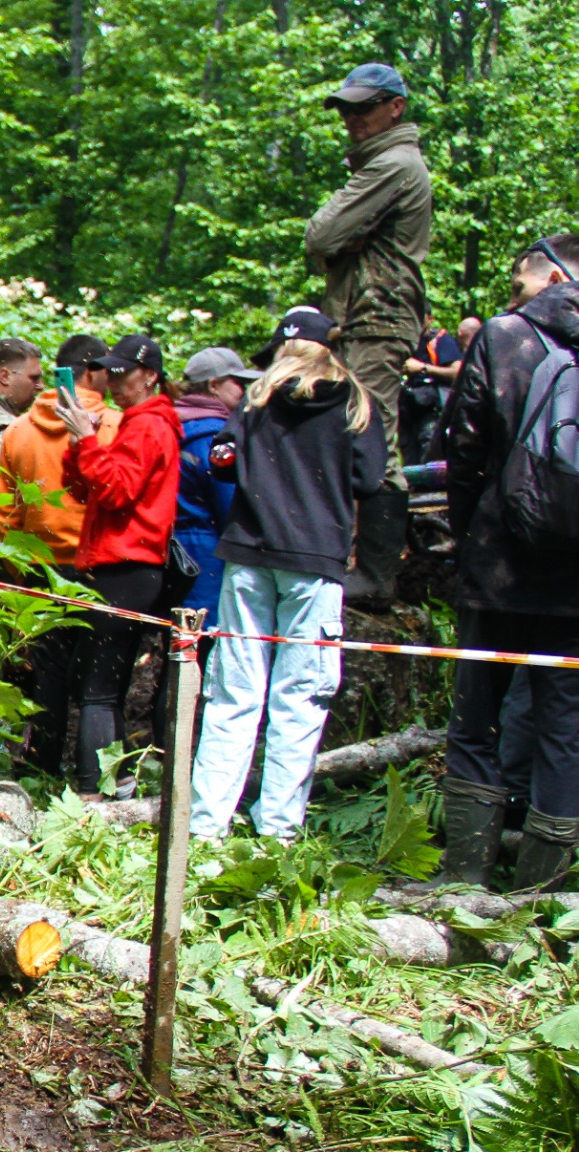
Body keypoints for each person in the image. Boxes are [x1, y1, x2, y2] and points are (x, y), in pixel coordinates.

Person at [189, 310, 387, 840]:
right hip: (315, 560)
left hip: (250, 554)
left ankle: (206, 827)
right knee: (299, 698)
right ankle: (278, 831)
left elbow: (221, 461)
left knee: (233, 694)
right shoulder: (356, 400)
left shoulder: (257, 399)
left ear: (283, 348)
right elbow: (369, 479)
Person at [433, 233, 579, 888]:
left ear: (550, 276)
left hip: (498, 565)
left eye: (518, 282)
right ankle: (541, 894)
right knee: (565, 728)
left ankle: (465, 882)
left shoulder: (503, 335)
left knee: (476, 718)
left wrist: (470, 537)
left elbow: (463, 451)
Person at [304, 62, 433, 610]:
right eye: (347, 109)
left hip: (378, 314)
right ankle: (364, 568)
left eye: (364, 107)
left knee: (374, 435)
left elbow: (323, 233)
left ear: (395, 107)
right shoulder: (379, 163)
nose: (352, 118)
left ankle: (376, 579)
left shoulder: (394, 164)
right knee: (359, 431)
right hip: (365, 313)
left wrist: (335, 238)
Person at [54, 335, 182, 796]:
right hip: (117, 564)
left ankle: (94, 790)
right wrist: (77, 443)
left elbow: (117, 490)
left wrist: (89, 440)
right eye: (110, 371)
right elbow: (88, 489)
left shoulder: (150, 426)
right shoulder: (136, 423)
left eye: (124, 372)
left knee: (96, 689)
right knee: (100, 684)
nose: (114, 381)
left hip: (126, 567)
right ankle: (117, 783)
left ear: (150, 376)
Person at [0, 334, 119, 775]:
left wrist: (16, 570)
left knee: (45, 681)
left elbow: (3, 512)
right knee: (99, 685)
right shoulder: (110, 425)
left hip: (37, 568)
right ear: (93, 372)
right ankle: (96, 780)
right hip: (97, 569)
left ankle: (38, 771)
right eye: (109, 368)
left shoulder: (17, 430)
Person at [171, 348, 256, 628]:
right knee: (205, 638)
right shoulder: (214, 436)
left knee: (178, 637)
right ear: (213, 385)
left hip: (170, 550)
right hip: (207, 553)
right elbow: (228, 504)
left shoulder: (170, 424)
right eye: (237, 383)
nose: (243, 391)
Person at [400, 314, 463, 463]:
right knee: (409, 456)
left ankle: (429, 486)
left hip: (431, 410)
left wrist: (423, 368)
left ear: (429, 318)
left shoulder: (440, 340)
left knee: (429, 455)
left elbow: (457, 373)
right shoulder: (406, 342)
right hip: (408, 410)